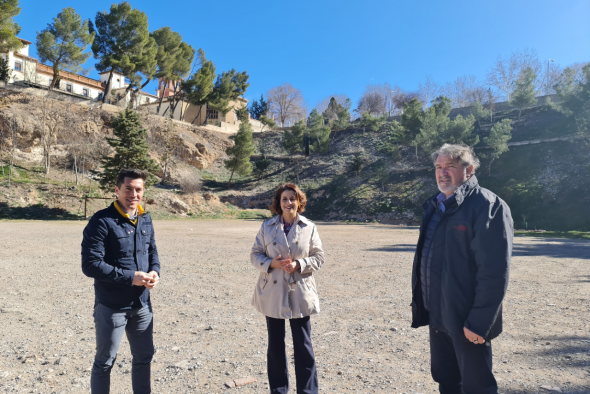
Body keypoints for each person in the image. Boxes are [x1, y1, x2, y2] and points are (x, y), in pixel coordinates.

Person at [410, 144, 513, 394]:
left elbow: (494, 273)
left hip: (467, 320)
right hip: (438, 314)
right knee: (447, 380)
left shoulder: (487, 206)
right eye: (438, 167)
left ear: (469, 170)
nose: (442, 173)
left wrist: (479, 323)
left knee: (478, 386)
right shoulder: (435, 206)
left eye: (450, 167)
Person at [82, 169, 160, 394]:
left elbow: (152, 251)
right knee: (105, 362)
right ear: (117, 190)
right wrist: (130, 277)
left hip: (142, 306)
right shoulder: (101, 221)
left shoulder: (145, 217)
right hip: (112, 307)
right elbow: (90, 265)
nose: (133, 194)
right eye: (128, 189)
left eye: (138, 189)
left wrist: (155, 272)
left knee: (144, 357)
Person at [251, 183, 324, 394]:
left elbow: (319, 258)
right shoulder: (267, 226)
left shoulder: (309, 227)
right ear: (278, 203)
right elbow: (255, 254)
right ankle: (279, 390)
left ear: (299, 202)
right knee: (275, 347)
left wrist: (299, 265)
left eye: (293, 198)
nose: (289, 202)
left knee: (303, 346)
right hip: (272, 292)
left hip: (300, 291)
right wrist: (271, 264)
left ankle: (308, 391)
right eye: (284, 199)